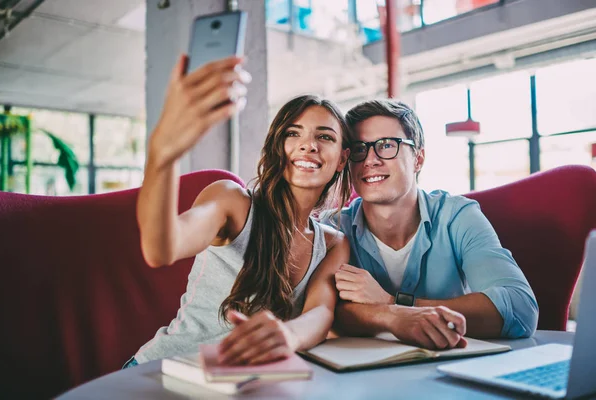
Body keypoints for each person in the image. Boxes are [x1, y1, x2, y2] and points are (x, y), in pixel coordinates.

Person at [125, 54, 352, 368]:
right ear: (277, 145)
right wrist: (163, 153)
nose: (308, 145)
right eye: (292, 133)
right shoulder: (232, 201)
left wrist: (289, 336)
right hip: (162, 372)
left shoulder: (333, 244)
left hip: (239, 385)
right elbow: (160, 248)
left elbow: (321, 312)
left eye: (324, 137)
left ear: (342, 159)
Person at [323, 99, 539, 350]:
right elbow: (317, 314)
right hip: (359, 376)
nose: (370, 160)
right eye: (359, 149)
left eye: (386, 145)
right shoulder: (332, 228)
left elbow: (520, 308)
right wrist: (391, 315)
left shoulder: (457, 216)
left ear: (418, 159)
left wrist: (393, 302)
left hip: (452, 370)